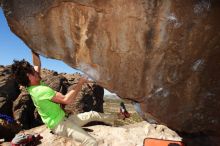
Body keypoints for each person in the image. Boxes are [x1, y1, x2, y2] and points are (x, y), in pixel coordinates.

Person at [11, 51, 115, 146]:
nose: (36, 71)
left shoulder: (31, 85)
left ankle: (119, 117)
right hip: (59, 125)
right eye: (33, 71)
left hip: (63, 119)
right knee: (91, 142)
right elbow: (66, 100)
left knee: (93, 114)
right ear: (29, 76)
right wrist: (81, 82)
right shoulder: (40, 91)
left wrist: (33, 49)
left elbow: (37, 64)